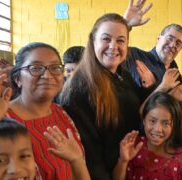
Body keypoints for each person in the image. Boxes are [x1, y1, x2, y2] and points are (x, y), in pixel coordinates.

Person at [60, 13, 141, 179]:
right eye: (106, 39)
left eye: (120, 40)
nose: (113, 46)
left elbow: (138, 109)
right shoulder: (80, 88)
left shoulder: (122, 74)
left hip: (128, 167)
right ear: (93, 41)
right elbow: (89, 154)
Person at [8, 42, 84, 179]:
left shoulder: (61, 113)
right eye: (36, 68)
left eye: (55, 67)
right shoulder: (2, 120)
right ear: (17, 78)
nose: (47, 76)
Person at [113, 92, 182, 179]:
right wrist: (123, 161)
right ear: (144, 120)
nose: (158, 129)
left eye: (166, 123)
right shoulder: (134, 145)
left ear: (174, 125)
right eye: (152, 121)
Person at [122, 0, 182, 91]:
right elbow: (110, 50)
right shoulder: (134, 55)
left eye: (178, 43)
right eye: (170, 38)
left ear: (180, 49)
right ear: (159, 38)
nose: (172, 45)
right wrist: (125, 24)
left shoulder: (176, 76)